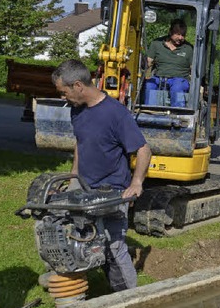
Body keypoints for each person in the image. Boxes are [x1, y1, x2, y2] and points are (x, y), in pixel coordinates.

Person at [52, 59, 152, 292]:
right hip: (84, 186)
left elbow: (143, 149)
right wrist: (73, 177)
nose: (62, 98)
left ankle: (129, 297)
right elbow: (81, 142)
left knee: (112, 245)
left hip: (111, 189)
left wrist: (136, 182)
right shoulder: (77, 110)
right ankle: (73, 287)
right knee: (73, 236)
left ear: (78, 85)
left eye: (63, 92)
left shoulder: (115, 113)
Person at [144, 18, 193, 107]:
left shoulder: (189, 48)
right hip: (159, 78)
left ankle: (178, 114)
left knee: (177, 87)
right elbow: (148, 62)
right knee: (149, 85)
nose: (181, 38)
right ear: (170, 32)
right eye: (178, 34)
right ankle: (149, 112)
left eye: (183, 35)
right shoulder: (156, 44)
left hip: (179, 79)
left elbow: (193, 68)